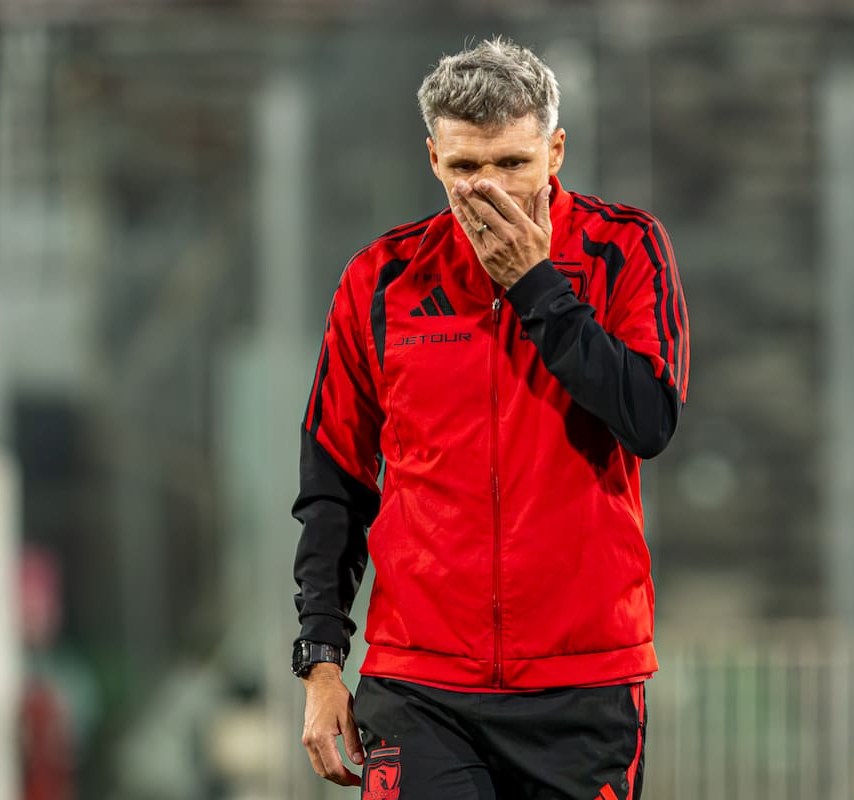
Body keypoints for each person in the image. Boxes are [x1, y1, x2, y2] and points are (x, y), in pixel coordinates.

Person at [291, 36, 688, 800]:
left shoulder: (625, 249)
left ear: (556, 150)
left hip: (585, 682)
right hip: (421, 685)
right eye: (467, 167)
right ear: (433, 158)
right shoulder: (382, 280)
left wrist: (536, 287)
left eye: (514, 164)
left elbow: (650, 419)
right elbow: (334, 482)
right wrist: (321, 661)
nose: (490, 189)